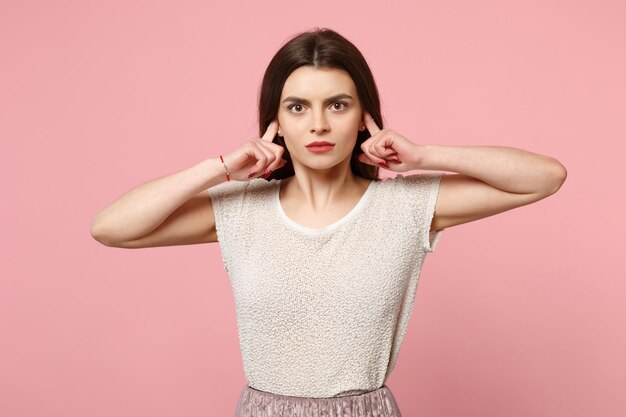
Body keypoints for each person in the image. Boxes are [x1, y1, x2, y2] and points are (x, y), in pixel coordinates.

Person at [91, 27, 567, 417]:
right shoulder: (240, 209)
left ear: (363, 117)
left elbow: (544, 177)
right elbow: (111, 227)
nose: (318, 124)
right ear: (275, 121)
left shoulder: (405, 206)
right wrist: (218, 167)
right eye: (298, 107)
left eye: (337, 105)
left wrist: (424, 155)